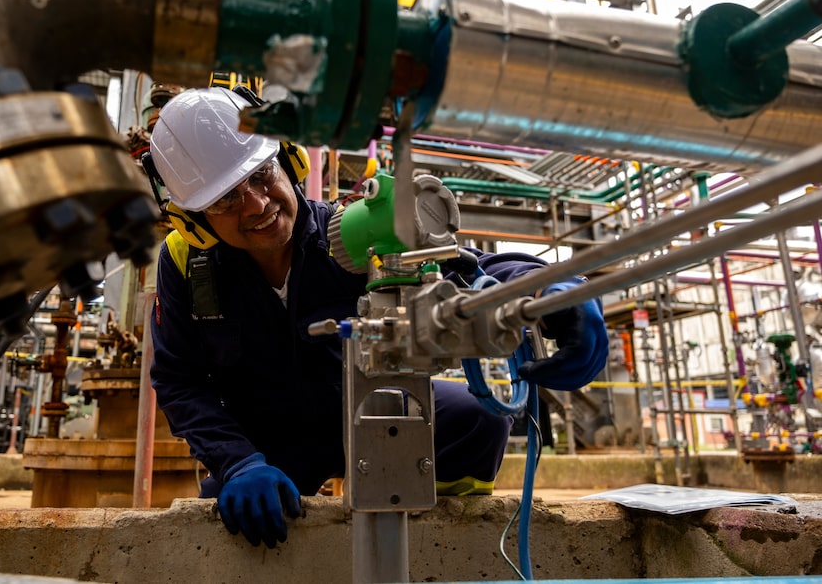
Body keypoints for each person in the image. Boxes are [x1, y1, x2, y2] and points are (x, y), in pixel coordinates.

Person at [148, 86, 607, 549]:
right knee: (234, 527)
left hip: (371, 411)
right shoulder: (189, 266)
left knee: (478, 419)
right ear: (195, 219)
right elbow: (177, 379)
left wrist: (553, 291)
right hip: (265, 447)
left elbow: (471, 268)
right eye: (225, 200)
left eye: (262, 175)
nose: (257, 204)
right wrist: (236, 462)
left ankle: (438, 552)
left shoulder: (349, 237)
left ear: (288, 161)